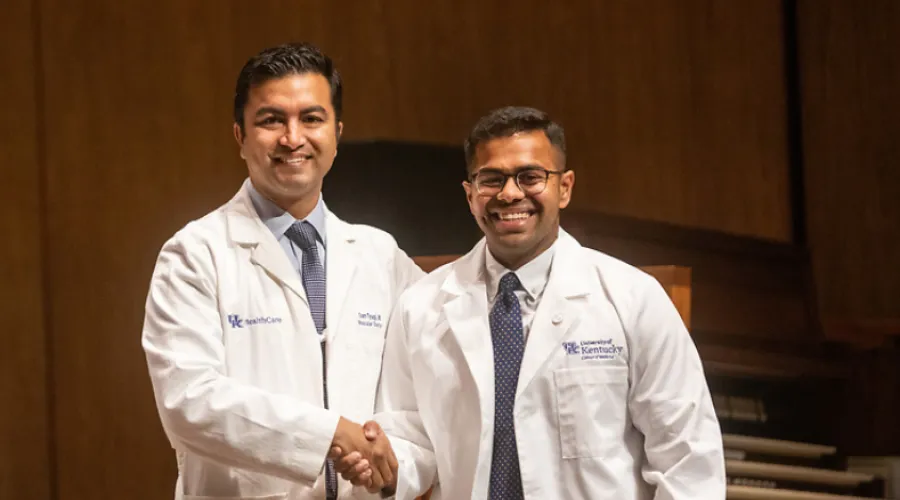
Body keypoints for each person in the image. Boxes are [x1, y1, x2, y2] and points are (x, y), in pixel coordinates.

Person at [338, 106, 726, 499]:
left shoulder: (632, 298)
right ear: (470, 195)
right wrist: (385, 469)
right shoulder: (419, 308)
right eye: (491, 179)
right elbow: (411, 439)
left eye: (530, 177)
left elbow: (687, 458)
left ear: (565, 187)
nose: (509, 193)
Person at [141, 42, 422, 500]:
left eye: (312, 119)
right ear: (240, 136)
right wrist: (329, 433)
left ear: (337, 133)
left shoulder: (381, 255)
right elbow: (188, 401)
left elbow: (421, 398)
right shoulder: (195, 254)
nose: (293, 138)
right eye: (272, 120)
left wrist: (394, 468)